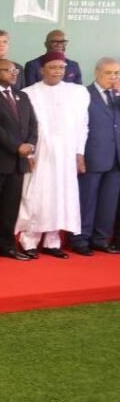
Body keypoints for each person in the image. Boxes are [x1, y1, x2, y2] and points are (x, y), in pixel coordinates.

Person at [16, 52, 89, 258]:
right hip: (40, 153)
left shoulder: (77, 92)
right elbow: (23, 128)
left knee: (61, 196)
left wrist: (79, 152)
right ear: (42, 70)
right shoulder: (28, 93)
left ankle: (52, 241)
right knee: (36, 196)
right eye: (53, 67)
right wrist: (29, 154)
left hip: (66, 155)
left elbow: (83, 125)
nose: (58, 71)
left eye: (61, 68)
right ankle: (29, 241)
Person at [0, 58, 38, 261]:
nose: (13, 73)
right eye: (8, 70)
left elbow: (32, 124)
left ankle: (6, 246)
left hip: (18, 164)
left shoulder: (22, 96)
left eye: (15, 70)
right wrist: (16, 146)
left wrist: (30, 145)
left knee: (10, 208)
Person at [72, 58, 120, 256]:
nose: (113, 77)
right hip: (92, 155)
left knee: (109, 202)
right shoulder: (84, 93)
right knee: (87, 199)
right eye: (109, 73)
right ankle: (80, 238)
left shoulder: (118, 97)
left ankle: (100, 239)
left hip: (116, 158)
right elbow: (77, 126)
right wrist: (78, 154)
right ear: (97, 72)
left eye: (116, 73)